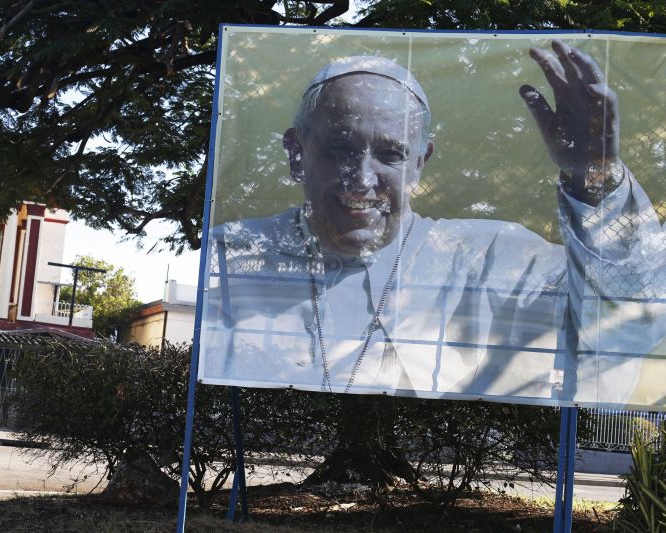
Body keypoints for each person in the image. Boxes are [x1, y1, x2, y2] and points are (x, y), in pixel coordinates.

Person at [198, 40, 666, 408]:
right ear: (297, 153)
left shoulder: (495, 258)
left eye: (390, 155)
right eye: (340, 149)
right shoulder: (234, 255)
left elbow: (627, 327)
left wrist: (596, 180)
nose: (362, 182)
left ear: (421, 163)